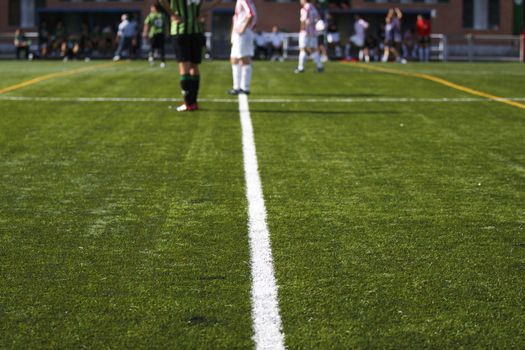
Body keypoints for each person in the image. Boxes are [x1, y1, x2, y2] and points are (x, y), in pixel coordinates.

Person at [159, 0, 221, 112]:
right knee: (194, 66)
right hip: (196, 31)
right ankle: (193, 102)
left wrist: (173, 14)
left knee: (185, 66)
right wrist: (202, 11)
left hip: (180, 31)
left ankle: (188, 103)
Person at [227, 0, 257, 95]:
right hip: (240, 34)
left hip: (243, 34)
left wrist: (243, 28)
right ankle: (237, 87)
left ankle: (245, 88)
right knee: (234, 59)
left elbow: (251, 14)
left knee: (244, 59)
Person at [295, 0, 323, 73]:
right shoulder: (313, 8)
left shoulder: (304, 9)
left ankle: (300, 67)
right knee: (313, 49)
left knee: (302, 49)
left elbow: (303, 21)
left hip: (305, 32)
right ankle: (320, 66)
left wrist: (302, 30)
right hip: (313, 33)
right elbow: (318, 19)